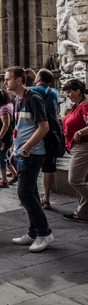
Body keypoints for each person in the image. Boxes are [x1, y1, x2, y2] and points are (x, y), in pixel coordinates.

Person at [5, 66, 53, 252]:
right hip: (22, 153)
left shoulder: (33, 98)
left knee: (25, 194)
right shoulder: (18, 99)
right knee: (30, 193)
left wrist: (25, 147)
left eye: (8, 79)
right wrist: (13, 148)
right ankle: (34, 232)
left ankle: (44, 233)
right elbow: (20, 127)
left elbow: (44, 127)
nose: (5, 82)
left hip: (32, 154)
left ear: (18, 80)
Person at [27, 68, 59, 209]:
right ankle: (46, 198)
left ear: (38, 80)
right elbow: (44, 86)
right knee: (49, 167)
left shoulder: (35, 91)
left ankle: (32, 195)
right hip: (52, 133)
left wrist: (24, 76)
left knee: (32, 164)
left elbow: (21, 89)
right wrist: (36, 76)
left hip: (38, 131)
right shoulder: (54, 92)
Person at [61, 80, 88, 223]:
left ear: (78, 91)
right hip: (77, 147)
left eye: (70, 92)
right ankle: (82, 213)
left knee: (75, 180)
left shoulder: (85, 105)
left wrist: (79, 133)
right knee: (81, 180)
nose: (68, 95)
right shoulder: (77, 105)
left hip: (83, 147)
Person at [0, 89, 14, 188]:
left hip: (3, 138)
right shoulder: (8, 105)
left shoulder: (4, 109)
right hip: (4, 137)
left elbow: (6, 125)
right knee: (5, 156)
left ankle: (4, 180)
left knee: (1, 158)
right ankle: (14, 174)